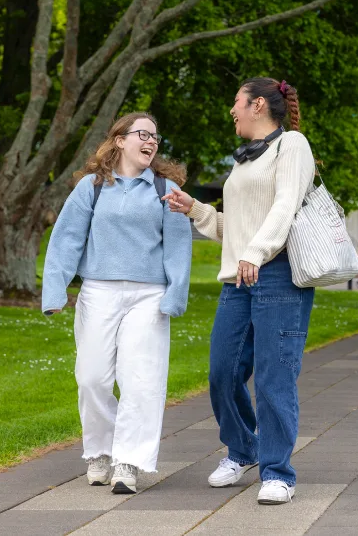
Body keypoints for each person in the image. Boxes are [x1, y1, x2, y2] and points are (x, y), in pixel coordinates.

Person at [163, 77, 315, 505]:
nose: (232, 110)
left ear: (258, 105)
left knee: (273, 377)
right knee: (221, 373)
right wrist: (195, 209)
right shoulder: (245, 159)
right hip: (239, 276)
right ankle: (243, 450)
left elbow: (285, 206)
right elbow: (239, 228)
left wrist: (257, 251)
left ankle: (277, 472)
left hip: (278, 275)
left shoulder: (293, 147)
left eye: (236, 102)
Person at [42, 112, 192, 494]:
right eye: (144, 134)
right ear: (120, 140)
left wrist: (176, 293)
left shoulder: (166, 188)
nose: (152, 142)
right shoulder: (91, 187)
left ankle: (129, 460)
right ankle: (100, 452)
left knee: (140, 379)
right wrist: (55, 291)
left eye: (156, 137)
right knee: (91, 377)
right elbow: (65, 240)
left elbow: (178, 247)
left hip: (148, 296)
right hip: (98, 292)